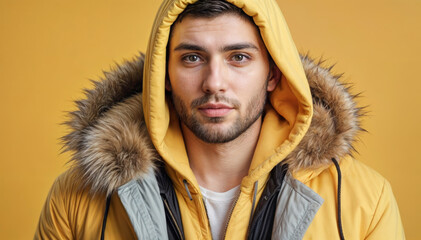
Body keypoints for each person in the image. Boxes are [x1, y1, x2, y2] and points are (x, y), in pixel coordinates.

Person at [35, 0, 405, 239]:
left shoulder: (363, 201)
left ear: (273, 74)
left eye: (239, 57)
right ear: (162, 75)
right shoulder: (76, 198)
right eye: (192, 58)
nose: (214, 82)